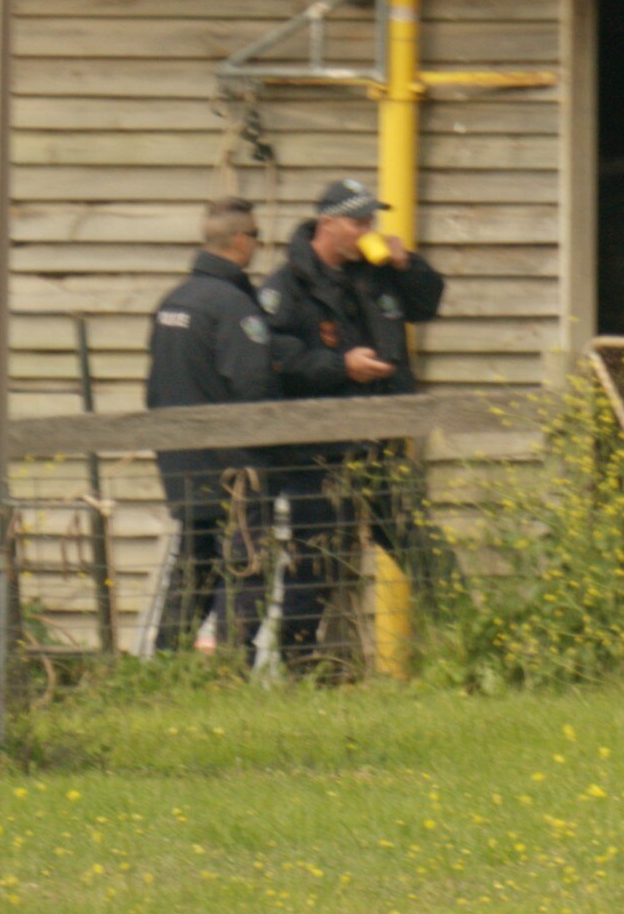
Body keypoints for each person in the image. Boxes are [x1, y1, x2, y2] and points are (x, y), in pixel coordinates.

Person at [258, 177, 452, 660]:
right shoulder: (287, 285)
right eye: (358, 220)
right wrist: (341, 366)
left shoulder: (378, 272)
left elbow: (428, 303)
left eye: (371, 219)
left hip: (381, 444)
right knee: (314, 563)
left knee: (424, 550)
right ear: (328, 224)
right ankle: (297, 665)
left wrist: (409, 265)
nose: (368, 229)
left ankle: (469, 646)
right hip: (320, 452)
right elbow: (275, 358)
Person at [141, 197, 273, 656]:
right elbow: (254, 384)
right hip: (231, 466)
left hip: (179, 460)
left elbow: (156, 383)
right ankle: (233, 668)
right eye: (257, 236)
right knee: (246, 565)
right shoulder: (234, 306)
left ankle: (167, 662)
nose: (259, 245)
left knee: (195, 564)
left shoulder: (172, 302)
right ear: (241, 241)